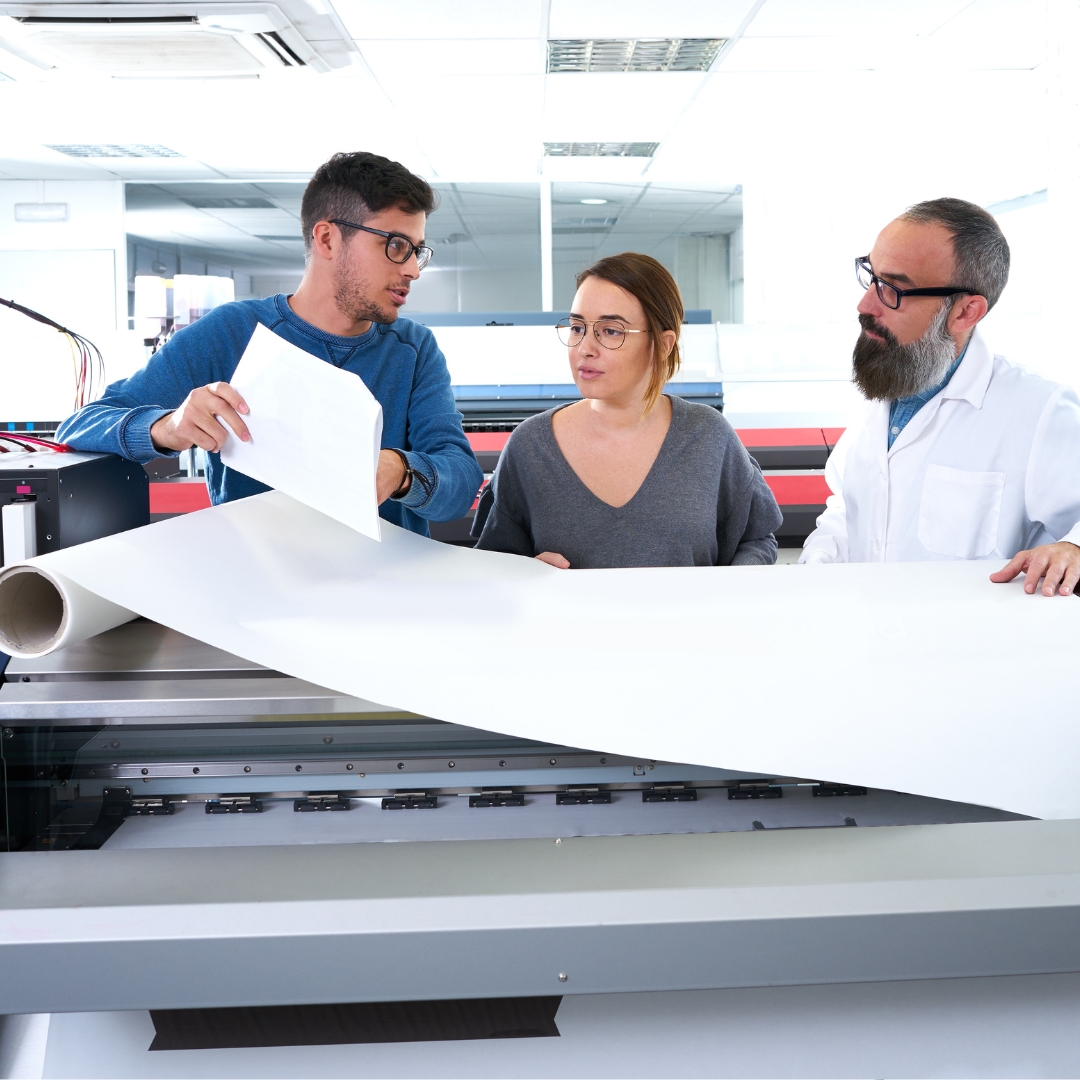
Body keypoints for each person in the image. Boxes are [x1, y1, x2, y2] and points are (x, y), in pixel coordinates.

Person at [56, 151, 483, 535]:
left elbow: (460, 481)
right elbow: (80, 425)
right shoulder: (232, 332)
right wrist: (168, 426)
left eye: (417, 251)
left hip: (386, 587)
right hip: (256, 591)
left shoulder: (413, 350)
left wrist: (401, 469)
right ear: (328, 239)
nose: (413, 269)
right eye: (395, 245)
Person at [799, 197, 1080, 597]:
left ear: (966, 312)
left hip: (970, 650)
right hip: (862, 636)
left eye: (893, 289)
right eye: (871, 276)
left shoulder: (1039, 410)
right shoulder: (891, 377)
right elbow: (850, 510)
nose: (864, 305)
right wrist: (815, 574)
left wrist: (1072, 548)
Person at [472, 253, 781, 568]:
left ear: (663, 344)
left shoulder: (708, 436)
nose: (584, 348)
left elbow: (755, 539)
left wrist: (733, 592)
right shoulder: (531, 447)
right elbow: (495, 565)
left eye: (611, 331)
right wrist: (526, 572)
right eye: (578, 327)